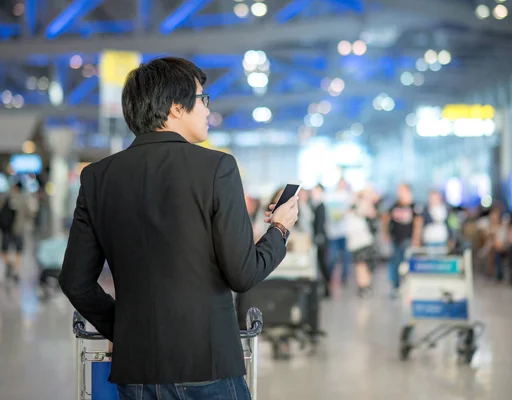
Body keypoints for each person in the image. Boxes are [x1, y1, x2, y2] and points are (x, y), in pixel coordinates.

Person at [58, 57, 299, 400]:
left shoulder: (97, 177)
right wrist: (280, 228)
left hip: (137, 371)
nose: (206, 110)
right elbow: (243, 274)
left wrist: (125, 331)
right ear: (175, 108)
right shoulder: (217, 168)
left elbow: (75, 282)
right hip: (208, 365)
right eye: (203, 99)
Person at [384, 184, 423, 296]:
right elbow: (385, 219)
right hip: (396, 239)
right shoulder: (394, 206)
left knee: (408, 264)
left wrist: (416, 239)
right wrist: (386, 234)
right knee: (395, 264)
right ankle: (396, 287)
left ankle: (410, 287)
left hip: (408, 240)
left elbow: (418, 223)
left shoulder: (414, 206)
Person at [1, 181, 37, 282]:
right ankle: (16, 270)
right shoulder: (24, 199)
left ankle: (9, 264)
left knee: (4, 249)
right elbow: (30, 214)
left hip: (6, 228)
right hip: (19, 229)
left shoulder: (6, 197)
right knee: (18, 250)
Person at [311, 184, 331, 297]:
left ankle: (327, 287)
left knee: (323, 263)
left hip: (321, 240)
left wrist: (319, 237)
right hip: (318, 239)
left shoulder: (320, 206)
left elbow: (320, 223)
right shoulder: (314, 205)